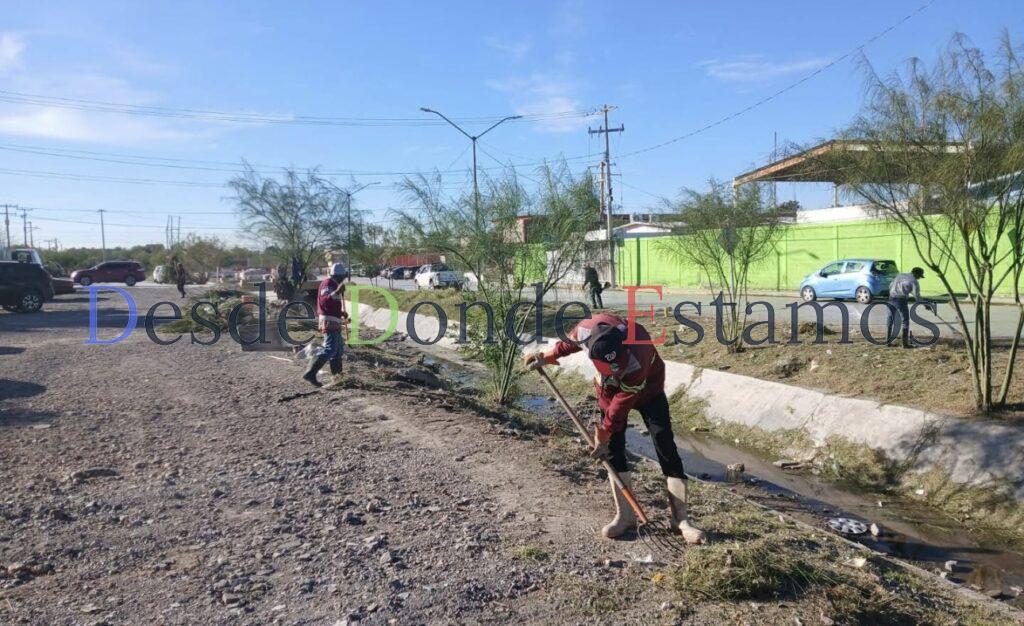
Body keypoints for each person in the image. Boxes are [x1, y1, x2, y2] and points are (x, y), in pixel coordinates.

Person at [523, 313, 706, 544]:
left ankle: (680, 520)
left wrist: (605, 432)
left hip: (648, 390)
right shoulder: (585, 331)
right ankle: (625, 516)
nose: (615, 368)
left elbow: (621, 405)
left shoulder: (637, 353)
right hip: (609, 391)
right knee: (614, 449)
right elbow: (569, 343)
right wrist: (545, 356)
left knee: (665, 445)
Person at [303, 262, 348, 387]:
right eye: (342, 277)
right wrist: (337, 292)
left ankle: (338, 378)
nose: (343, 279)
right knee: (330, 349)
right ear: (338, 276)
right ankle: (310, 373)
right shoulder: (328, 284)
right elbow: (325, 301)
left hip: (334, 319)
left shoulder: (334, 284)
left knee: (338, 350)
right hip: (329, 321)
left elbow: (331, 304)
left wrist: (341, 313)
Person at [888, 267, 925, 348]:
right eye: (919, 276)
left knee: (890, 320)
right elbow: (917, 296)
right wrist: (925, 305)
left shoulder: (900, 275)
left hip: (891, 298)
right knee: (905, 321)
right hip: (901, 300)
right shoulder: (914, 281)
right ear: (916, 274)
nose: (919, 278)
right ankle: (905, 344)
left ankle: (888, 342)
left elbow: (890, 285)